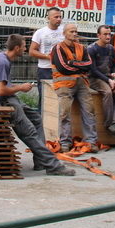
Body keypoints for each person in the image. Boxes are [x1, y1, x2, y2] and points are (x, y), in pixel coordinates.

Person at [0, 34, 74, 176]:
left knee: (37, 119)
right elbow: (1, 91)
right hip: (4, 102)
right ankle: (53, 166)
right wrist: (21, 88)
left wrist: (20, 86)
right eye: (24, 46)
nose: (26, 49)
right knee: (30, 132)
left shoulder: (3, 58)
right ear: (17, 48)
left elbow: (3, 86)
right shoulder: (3, 62)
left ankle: (40, 161)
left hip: (10, 98)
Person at [50, 23, 100, 152]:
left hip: (81, 83)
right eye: (71, 31)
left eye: (75, 31)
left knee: (89, 110)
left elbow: (89, 64)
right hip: (64, 85)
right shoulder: (58, 48)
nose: (74, 33)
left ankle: (91, 142)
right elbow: (62, 67)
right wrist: (79, 66)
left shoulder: (82, 48)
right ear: (64, 33)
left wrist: (72, 63)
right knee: (65, 113)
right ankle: (65, 142)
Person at [86, 25, 115, 138]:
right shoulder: (91, 49)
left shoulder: (111, 48)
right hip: (94, 78)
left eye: (109, 34)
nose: (108, 36)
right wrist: (108, 81)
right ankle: (108, 123)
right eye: (105, 34)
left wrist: (114, 75)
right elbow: (93, 70)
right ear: (98, 35)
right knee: (108, 92)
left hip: (108, 77)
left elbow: (113, 65)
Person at [29, 7, 66, 140]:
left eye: (60, 17)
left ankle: (58, 130)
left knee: (62, 98)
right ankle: (41, 132)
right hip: (45, 69)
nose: (59, 19)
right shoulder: (40, 33)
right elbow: (32, 51)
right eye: (56, 17)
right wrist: (48, 57)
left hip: (61, 70)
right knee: (44, 100)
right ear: (48, 18)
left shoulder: (64, 32)